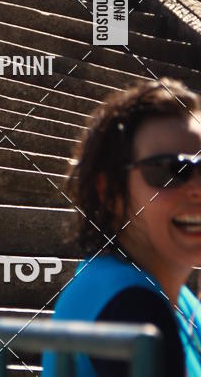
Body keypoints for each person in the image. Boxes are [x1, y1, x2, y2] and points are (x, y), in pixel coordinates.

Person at [42, 79, 201, 376]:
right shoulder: (133, 308)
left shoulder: (167, 297)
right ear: (110, 193)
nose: (197, 190)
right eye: (169, 170)